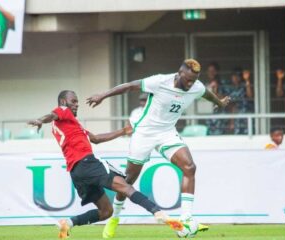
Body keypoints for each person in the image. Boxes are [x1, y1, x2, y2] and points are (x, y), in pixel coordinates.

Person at [86, 59, 231, 238]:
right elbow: (130, 86)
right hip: (144, 132)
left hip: (167, 133)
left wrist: (220, 102)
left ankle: (186, 218)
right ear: (179, 74)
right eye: (188, 80)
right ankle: (114, 218)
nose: (190, 84)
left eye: (193, 81)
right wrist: (103, 95)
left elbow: (207, 94)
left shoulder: (196, 87)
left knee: (189, 167)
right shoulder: (160, 81)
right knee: (128, 180)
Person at [27, 90, 182, 239]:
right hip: (87, 162)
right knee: (126, 186)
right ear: (63, 102)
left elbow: (96, 139)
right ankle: (158, 213)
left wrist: (123, 131)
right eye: (73, 101)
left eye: (77, 102)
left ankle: (67, 223)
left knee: (106, 211)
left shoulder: (71, 125)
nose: (76, 104)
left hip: (77, 172)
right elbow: (52, 114)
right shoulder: (62, 111)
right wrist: (41, 120)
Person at [220, 68, 253, 134]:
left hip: (245, 116)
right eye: (234, 76)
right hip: (235, 118)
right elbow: (230, 104)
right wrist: (231, 122)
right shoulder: (228, 88)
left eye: (238, 76)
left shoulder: (244, 86)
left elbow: (250, 95)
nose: (235, 78)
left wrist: (247, 80)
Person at [205, 62, 225, 135]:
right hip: (209, 115)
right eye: (209, 71)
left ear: (216, 72)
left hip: (219, 116)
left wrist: (215, 90)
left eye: (213, 71)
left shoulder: (222, 84)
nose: (211, 73)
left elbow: (225, 99)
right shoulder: (206, 85)